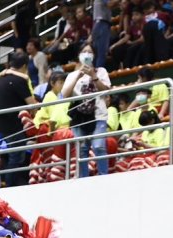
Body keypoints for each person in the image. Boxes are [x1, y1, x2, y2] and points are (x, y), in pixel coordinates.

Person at [62, 44, 111, 178]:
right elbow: (65, 95)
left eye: (90, 52)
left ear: (94, 56)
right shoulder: (72, 75)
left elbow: (106, 91)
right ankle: (83, 179)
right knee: (82, 150)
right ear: (79, 55)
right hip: (79, 118)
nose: (87, 54)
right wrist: (78, 75)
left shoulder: (101, 71)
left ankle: (103, 176)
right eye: (84, 51)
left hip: (98, 115)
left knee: (98, 146)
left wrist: (93, 76)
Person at [0, 51, 36, 187]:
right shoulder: (19, 80)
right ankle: (10, 187)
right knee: (16, 157)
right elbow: (31, 102)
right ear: (24, 66)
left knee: (17, 156)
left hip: (4, 125)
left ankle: (13, 184)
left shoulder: (3, 78)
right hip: (14, 125)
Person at [91, 0, 115, 68]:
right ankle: (98, 75)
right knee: (101, 53)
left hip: (98, 24)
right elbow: (110, 4)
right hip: (102, 24)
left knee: (97, 54)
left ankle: (94, 73)